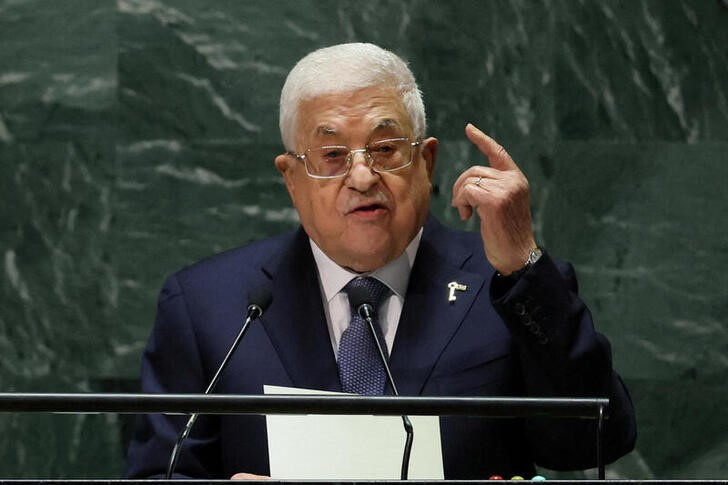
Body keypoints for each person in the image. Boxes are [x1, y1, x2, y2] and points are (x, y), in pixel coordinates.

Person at [125, 42, 636, 480]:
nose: (364, 177)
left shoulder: (504, 284)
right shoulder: (207, 306)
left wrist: (523, 266)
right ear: (291, 179)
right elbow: (159, 474)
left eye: (386, 148)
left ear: (427, 162)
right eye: (331, 156)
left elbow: (595, 441)